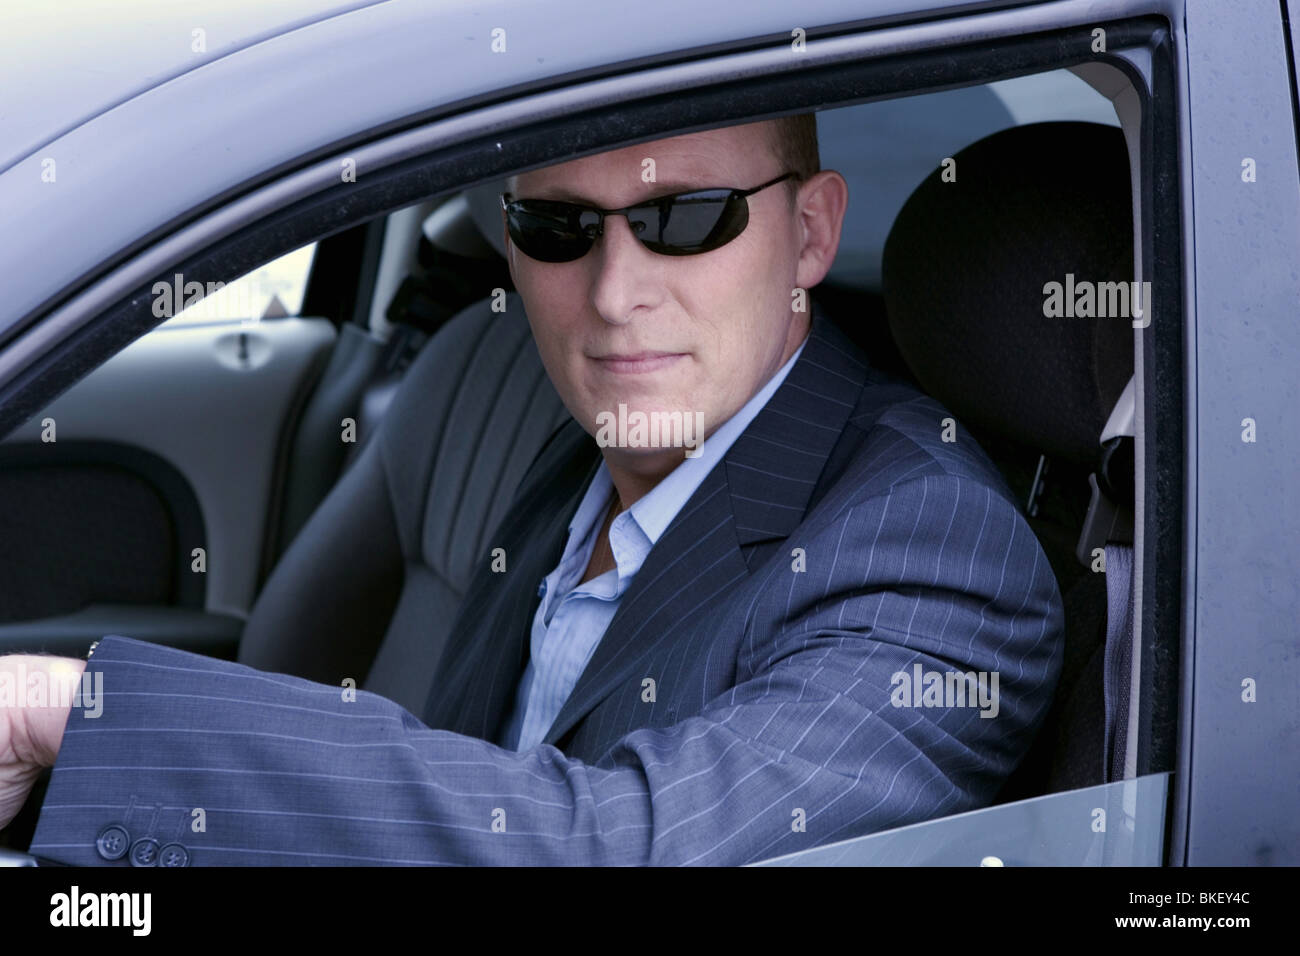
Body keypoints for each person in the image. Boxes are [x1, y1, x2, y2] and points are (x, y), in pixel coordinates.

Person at [0, 115, 1063, 866]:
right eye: (557, 227)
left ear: (813, 232)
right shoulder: (588, 443)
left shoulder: (933, 545)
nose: (612, 293)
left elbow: (615, 850)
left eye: (686, 218)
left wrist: (79, 712)